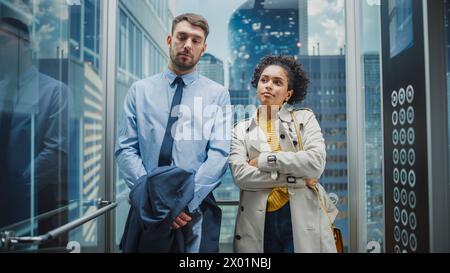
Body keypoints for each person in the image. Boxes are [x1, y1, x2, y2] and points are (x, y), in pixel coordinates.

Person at [115, 13, 231, 253]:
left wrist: (185, 204)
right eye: (182, 37)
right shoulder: (139, 91)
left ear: (203, 48)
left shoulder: (218, 95)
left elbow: (220, 154)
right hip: (147, 210)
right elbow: (125, 148)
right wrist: (152, 200)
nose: (188, 44)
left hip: (193, 212)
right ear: (169, 40)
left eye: (196, 40)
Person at [229, 55, 338, 253]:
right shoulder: (240, 129)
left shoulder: (305, 118)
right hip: (259, 221)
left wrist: (264, 160)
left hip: (298, 215)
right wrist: (298, 180)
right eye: (264, 80)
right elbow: (240, 176)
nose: (268, 85)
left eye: (277, 82)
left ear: (288, 94)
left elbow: (315, 163)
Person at [0, 17, 69, 248]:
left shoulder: (53, 91)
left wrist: (15, 191)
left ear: (26, 44)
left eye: (2, 41)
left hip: (32, 206)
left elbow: (55, 153)